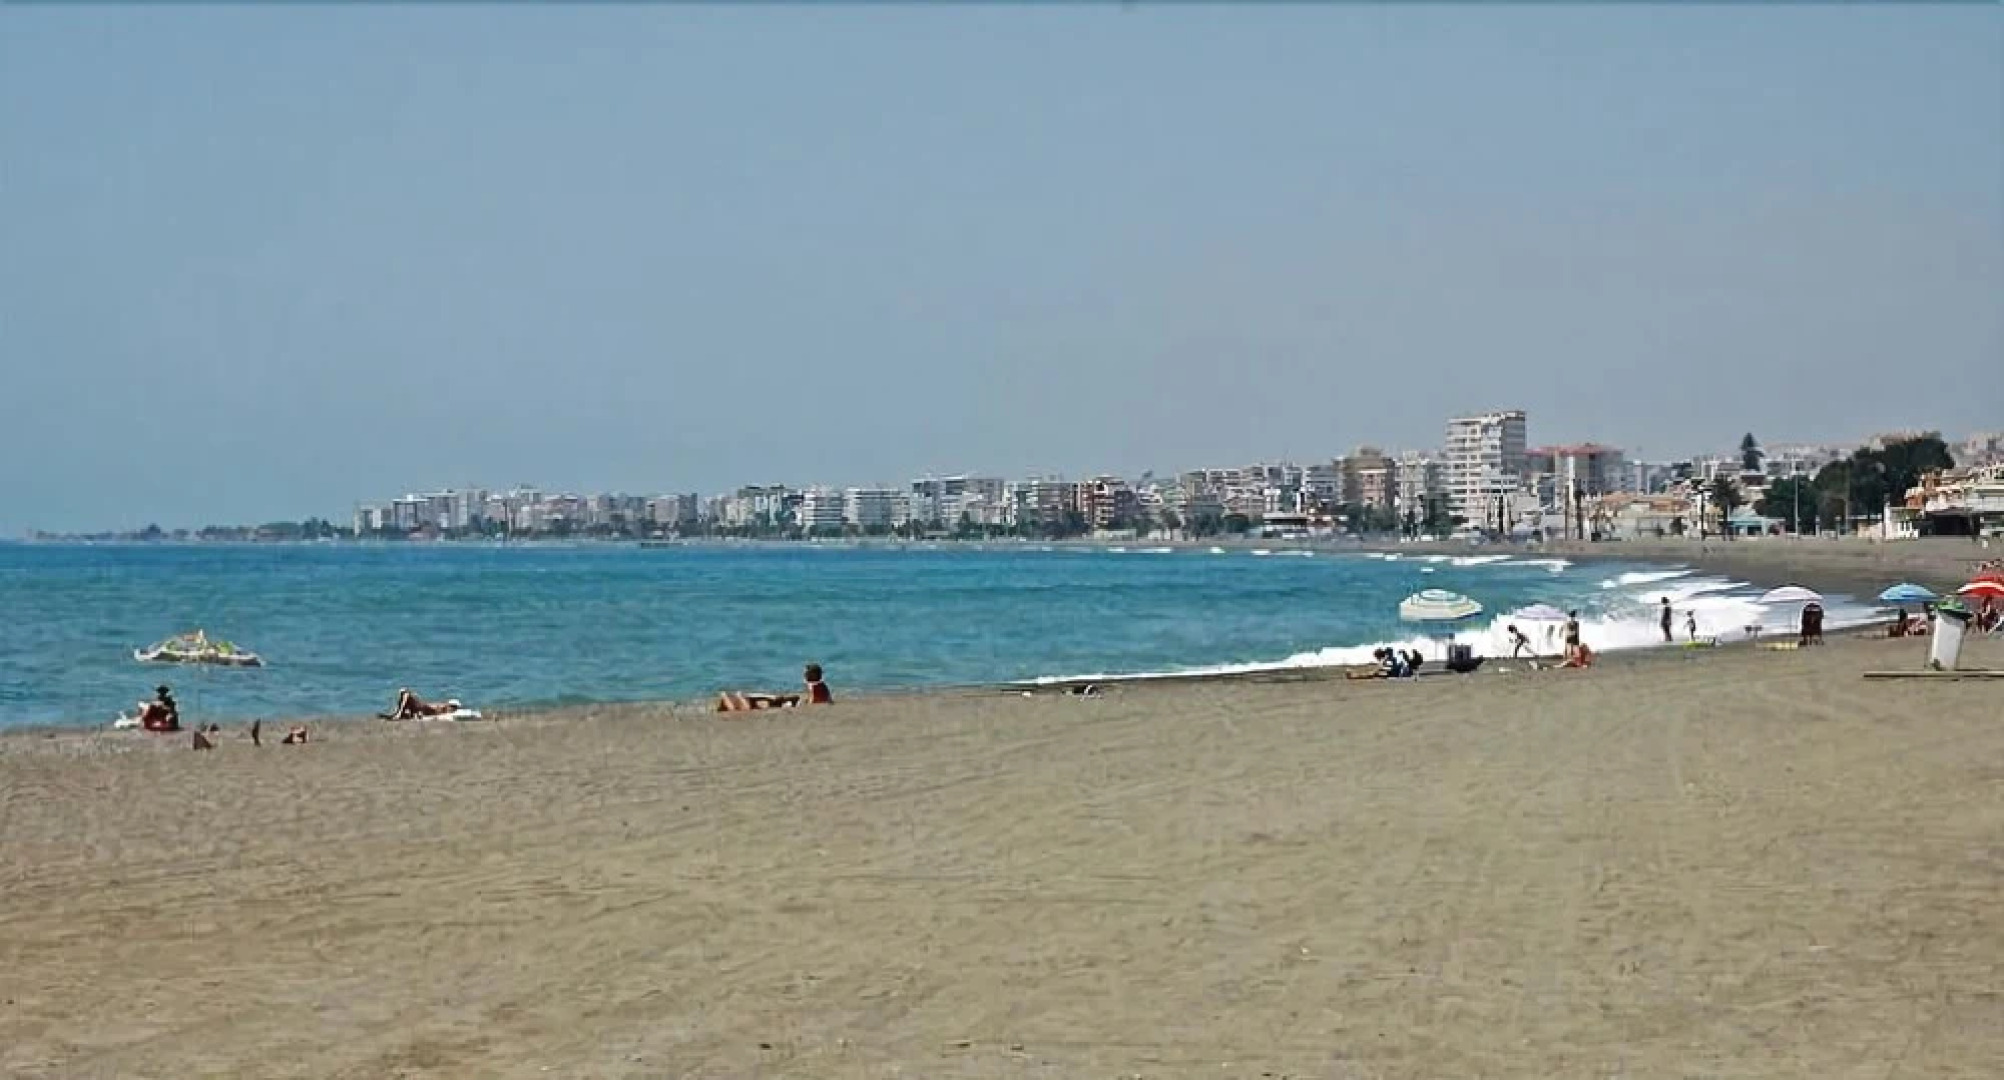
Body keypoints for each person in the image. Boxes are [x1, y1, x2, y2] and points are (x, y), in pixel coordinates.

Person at [719, 663, 834, 713]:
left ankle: (732, 697)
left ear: (811, 675)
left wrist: (797, 705)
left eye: (805, 673)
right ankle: (737, 698)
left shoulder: (813, 686)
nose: (804, 675)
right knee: (762, 700)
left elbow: (811, 703)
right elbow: (828, 701)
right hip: (791, 702)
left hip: (789, 705)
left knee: (754, 702)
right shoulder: (823, 686)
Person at [384, 688, 458, 720]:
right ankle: (398, 713)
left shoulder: (444, 708)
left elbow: (430, 712)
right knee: (405, 694)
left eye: (453, 707)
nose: (452, 708)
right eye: (453, 707)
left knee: (406, 694)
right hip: (420, 707)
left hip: (420, 708)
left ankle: (398, 713)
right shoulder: (443, 707)